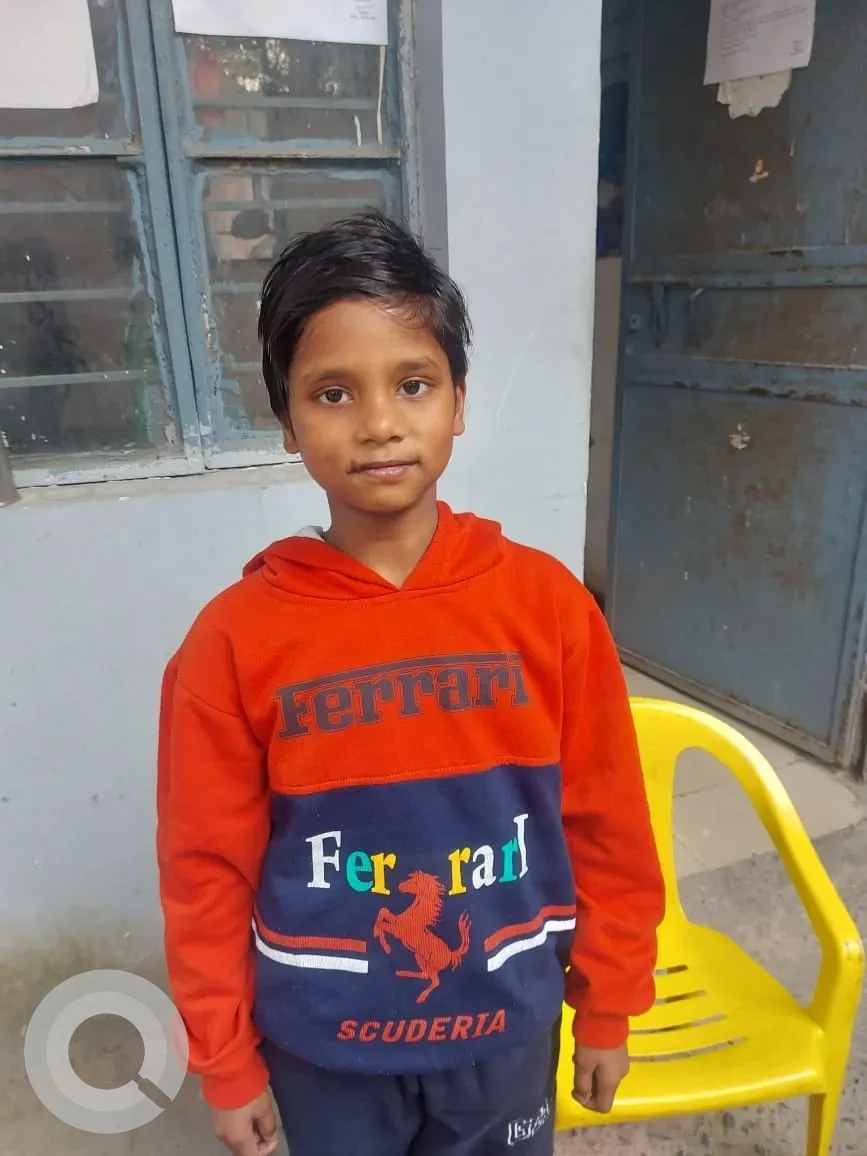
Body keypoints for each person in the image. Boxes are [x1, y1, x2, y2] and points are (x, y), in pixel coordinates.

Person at [157, 211, 665, 1156]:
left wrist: (609, 1001)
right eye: (333, 393)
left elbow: (606, 822)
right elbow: (205, 872)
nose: (380, 422)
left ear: (458, 401)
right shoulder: (232, 642)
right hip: (321, 1050)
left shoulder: (548, 608)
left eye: (413, 383)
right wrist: (224, 1061)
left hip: (505, 1035)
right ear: (286, 424)